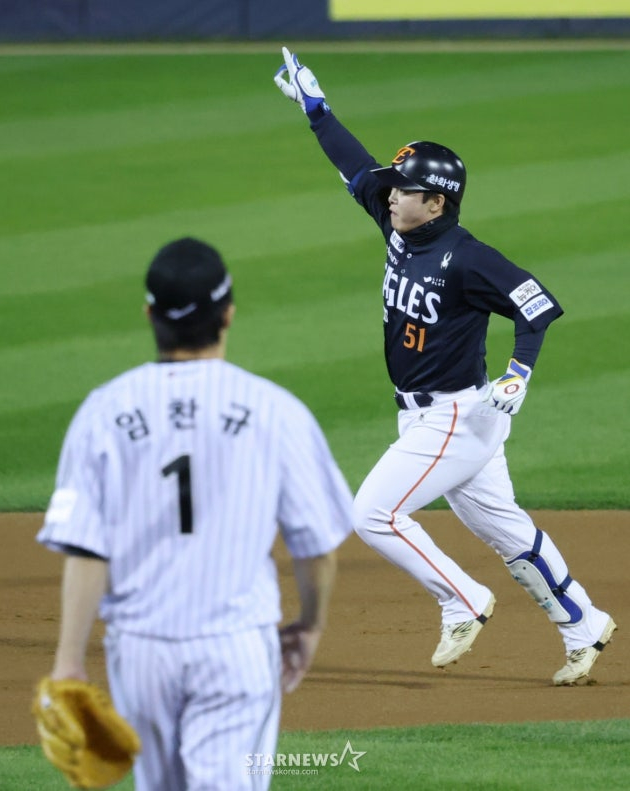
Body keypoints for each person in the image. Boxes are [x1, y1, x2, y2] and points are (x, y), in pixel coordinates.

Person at [273, 47, 616, 686]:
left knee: (372, 514)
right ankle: (584, 623)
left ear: (436, 203)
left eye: (403, 187)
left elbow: (537, 306)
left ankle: (460, 598)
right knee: (506, 531)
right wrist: (317, 109)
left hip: (455, 418)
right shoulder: (396, 218)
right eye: (395, 184)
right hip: (439, 420)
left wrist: (520, 371)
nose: (389, 190)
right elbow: (353, 163)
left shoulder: (469, 257)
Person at [36, 236, 354, 790]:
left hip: (139, 649)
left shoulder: (104, 412)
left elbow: (87, 547)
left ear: (150, 315)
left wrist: (67, 661)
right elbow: (316, 548)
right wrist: (309, 625)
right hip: (235, 644)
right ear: (227, 313)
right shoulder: (274, 411)